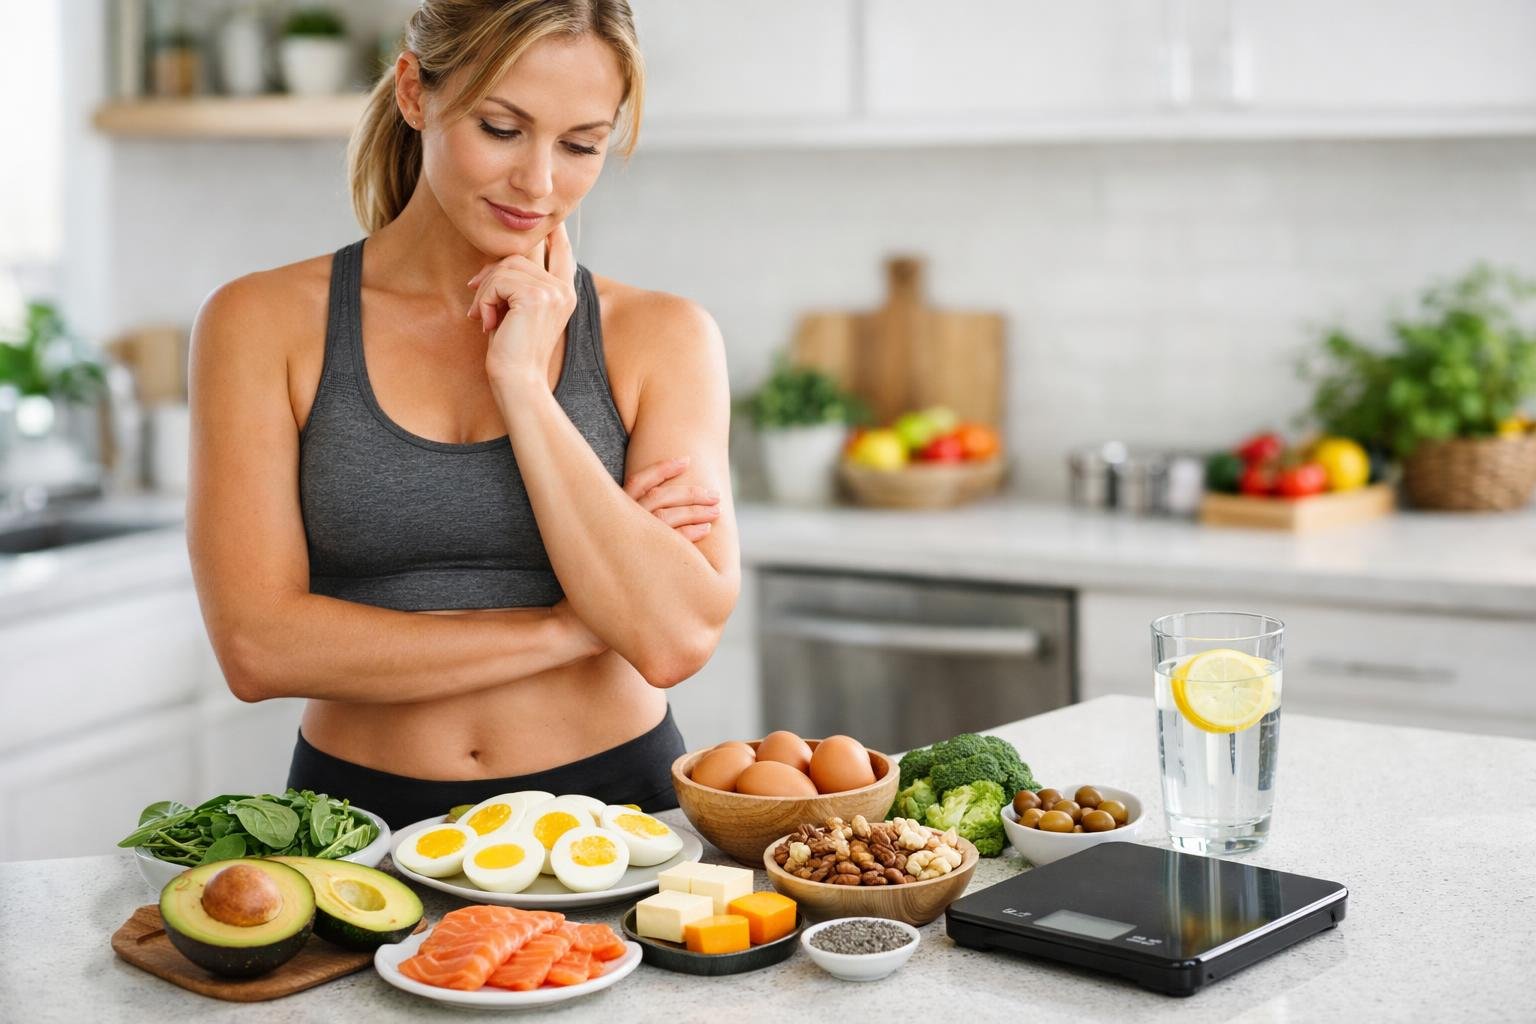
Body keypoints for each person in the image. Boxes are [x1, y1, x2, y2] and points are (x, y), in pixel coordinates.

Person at [186, 0, 738, 828]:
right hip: (357, 823)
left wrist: (522, 385)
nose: (541, 182)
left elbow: (671, 639)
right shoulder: (260, 323)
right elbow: (258, 648)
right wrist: (565, 631)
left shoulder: (662, 336)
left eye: (582, 144)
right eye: (502, 128)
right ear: (414, 93)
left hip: (618, 814)